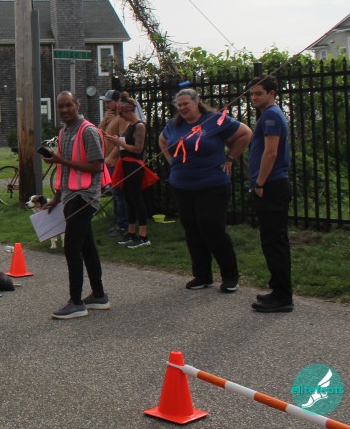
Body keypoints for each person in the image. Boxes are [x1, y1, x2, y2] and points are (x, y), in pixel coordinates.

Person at [159, 88, 252, 293]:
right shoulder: (173, 125)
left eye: (186, 104)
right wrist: (172, 161)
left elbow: (245, 133)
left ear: (197, 102)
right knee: (191, 230)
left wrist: (230, 158)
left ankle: (230, 276)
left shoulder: (214, 120)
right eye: (179, 105)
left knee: (212, 228)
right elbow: (163, 140)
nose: (182, 108)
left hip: (212, 185)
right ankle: (202, 275)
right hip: (182, 185)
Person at [43, 91, 110, 319]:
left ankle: (76, 302)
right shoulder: (64, 132)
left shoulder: (88, 131)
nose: (64, 110)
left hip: (86, 195)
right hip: (70, 195)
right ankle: (99, 295)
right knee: (87, 246)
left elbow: (96, 167)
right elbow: (63, 169)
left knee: (72, 247)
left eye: (68, 105)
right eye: (60, 106)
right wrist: (56, 197)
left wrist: (60, 159)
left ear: (77, 105)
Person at [247, 76, 294, 313]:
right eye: (252, 94)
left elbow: (271, 153)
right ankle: (278, 290)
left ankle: (283, 297)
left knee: (274, 242)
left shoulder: (271, 116)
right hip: (271, 185)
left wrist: (260, 182)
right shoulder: (269, 115)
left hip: (271, 186)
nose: (254, 98)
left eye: (259, 93)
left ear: (272, 93)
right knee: (271, 241)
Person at [105, 93, 151, 248]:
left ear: (129, 110)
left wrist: (119, 143)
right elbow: (123, 145)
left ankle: (143, 236)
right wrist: (115, 141)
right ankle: (131, 232)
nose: (121, 116)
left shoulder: (139, 126)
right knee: (128, 199)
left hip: (135, 165)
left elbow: (138, 149)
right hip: (125, 164)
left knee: (136, 199)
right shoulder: (129, 127)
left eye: (122, 113)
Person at [100, 90, 130, 237]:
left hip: (116, 161)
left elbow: (123, 140)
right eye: (105, 102)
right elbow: (98, 133)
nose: (107, 105)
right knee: (115, 194)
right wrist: (104, 121)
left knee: (119, 194)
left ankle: (123, 225)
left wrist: (112, 157)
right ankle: (118, 222)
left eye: (109, 102)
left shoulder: (122, 118)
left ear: (117, 102)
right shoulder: (110, 117)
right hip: (108, 161)